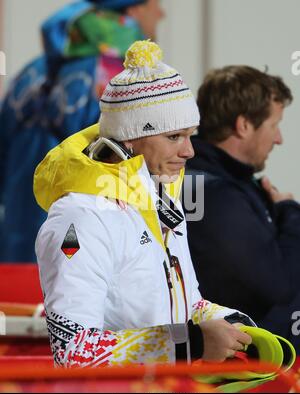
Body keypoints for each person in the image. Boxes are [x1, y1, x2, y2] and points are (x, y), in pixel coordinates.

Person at [33, 41, 254, 367]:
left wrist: (231, 323)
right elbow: (73, 352)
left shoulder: (163, 199)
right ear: (127, 141)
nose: (189, 151)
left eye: (191, 135)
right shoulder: (79, 218)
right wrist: (189, 344)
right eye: (174, 137)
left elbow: (185, 305)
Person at [0, 0, 164, 262]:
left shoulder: (30, 74)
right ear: (132, 9)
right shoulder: (121, 78)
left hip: (18, 241)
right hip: (82, 246)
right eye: (156, 4)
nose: (161, 14)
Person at [185, 65, 300, 351]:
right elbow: (279, 284)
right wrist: (290, 213)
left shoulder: (211, 180)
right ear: (244, 124)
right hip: (252, 365)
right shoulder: (216, 194)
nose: (279, 139)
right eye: (274, 125)